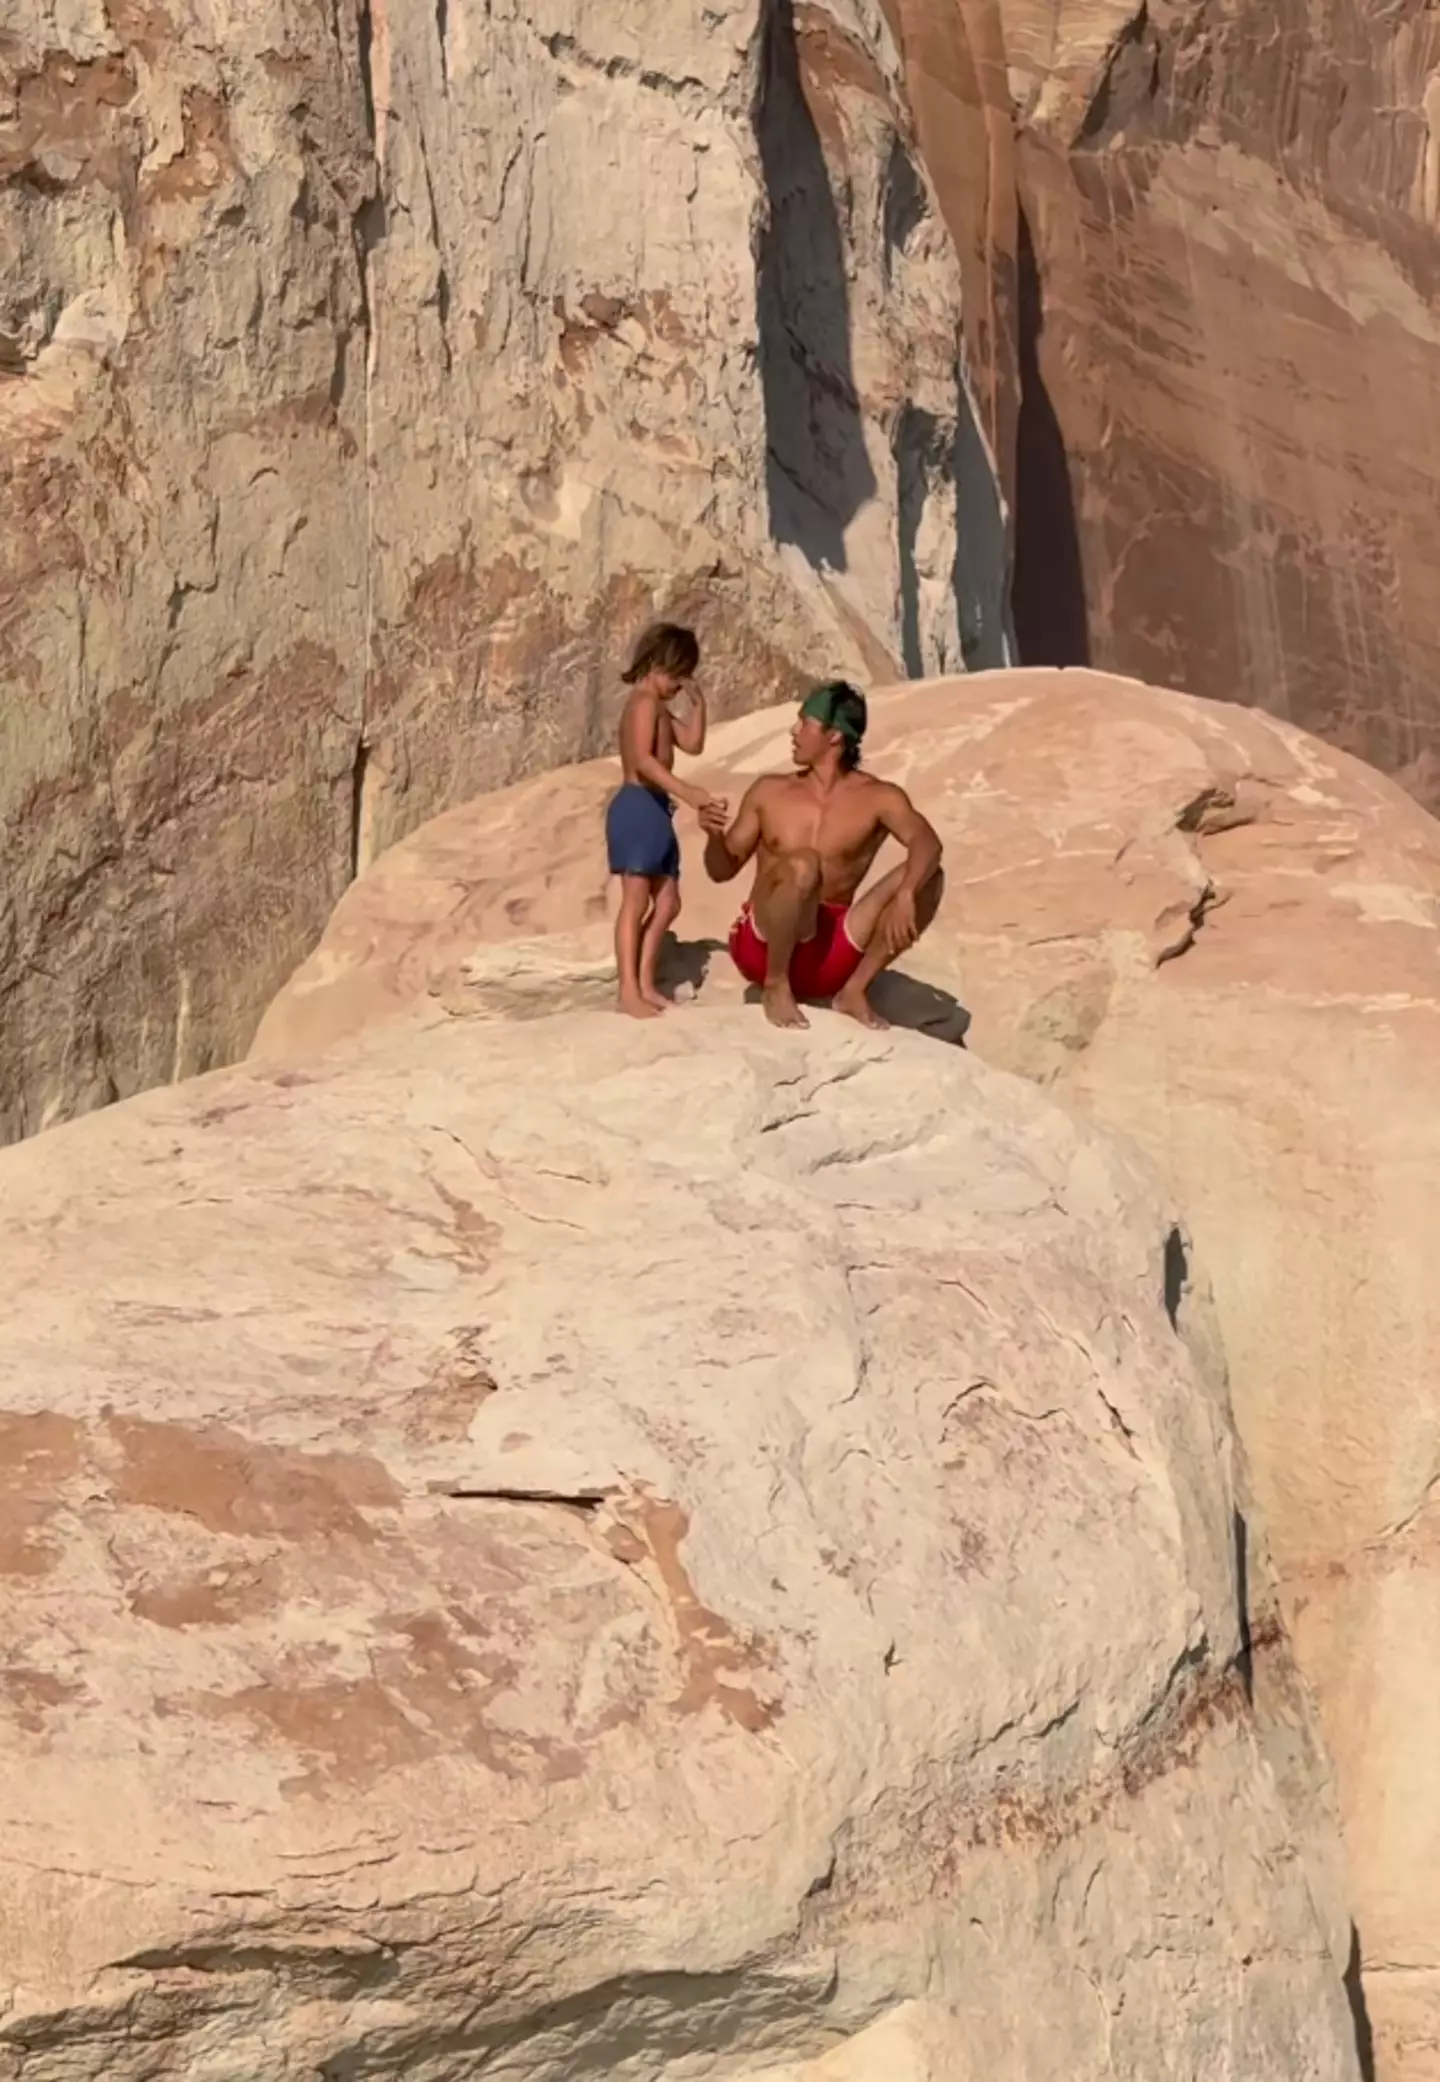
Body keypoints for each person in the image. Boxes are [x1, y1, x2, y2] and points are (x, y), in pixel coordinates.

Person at [700, 680, 943, 1030]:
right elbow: (721, 871)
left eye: (805, 723)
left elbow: (928, 843)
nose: (793, 731)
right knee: (803, 865)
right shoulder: (770, 791)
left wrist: (907, 892)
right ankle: (776, 985)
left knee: (929, 875)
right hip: (764, 945)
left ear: (834, 736)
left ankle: (853, 991)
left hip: (831, 953)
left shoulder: (878, 797)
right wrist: (714, 837)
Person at [606, 622, 726, 1019]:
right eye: (676, 674)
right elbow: (643, 760)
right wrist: (688, 793)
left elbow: (693, 743)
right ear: (657, 664)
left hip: (657, 809)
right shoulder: (643, 703)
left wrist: (699, 706)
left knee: (669, 901)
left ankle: (645, 983)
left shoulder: (659, 707)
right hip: (638, 805)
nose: (679, 684)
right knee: (636, 899)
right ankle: (628, 990)